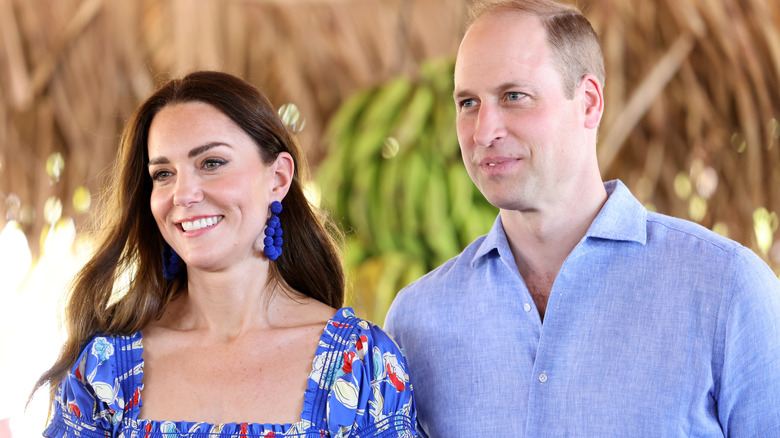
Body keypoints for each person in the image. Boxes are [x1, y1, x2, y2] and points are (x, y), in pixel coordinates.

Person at [384, 0, 780, 436]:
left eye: (514, 96)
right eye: (468, 103)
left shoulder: (728, 290)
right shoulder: (415, 321)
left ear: (589, 103)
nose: (483, 131)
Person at [33, 71, 417, 438]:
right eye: (163, 174)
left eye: (211, 163)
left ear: (278, 179)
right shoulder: (107, 368)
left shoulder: (361, 365)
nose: (183, 195)